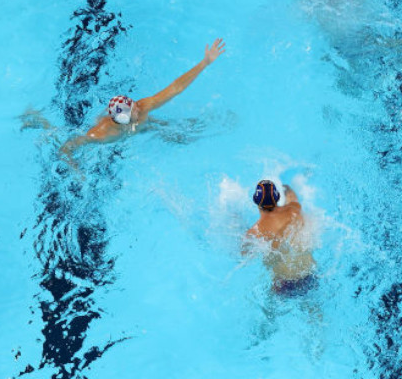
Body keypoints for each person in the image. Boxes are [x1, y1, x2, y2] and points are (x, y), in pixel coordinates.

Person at [59, 39, 226, 167]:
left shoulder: (143, 106)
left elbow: (176, 88)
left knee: (181, 136)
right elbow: (66, 149)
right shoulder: (99, 135)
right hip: (122, 138)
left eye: (134, 104)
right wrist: (75, 170)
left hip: (142, 128)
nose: (139, 107)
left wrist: (204, 63)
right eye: (134, 110)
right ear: (124, 119)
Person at [244, 179, 317, 297]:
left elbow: (243, 254)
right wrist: (286, 187)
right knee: (313, 310)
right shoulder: (294, 209)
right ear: (277, 198)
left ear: (256, 203)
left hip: (284, 284)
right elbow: (292, 196)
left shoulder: (255, 231)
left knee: (269, 311)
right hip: (309, 274)